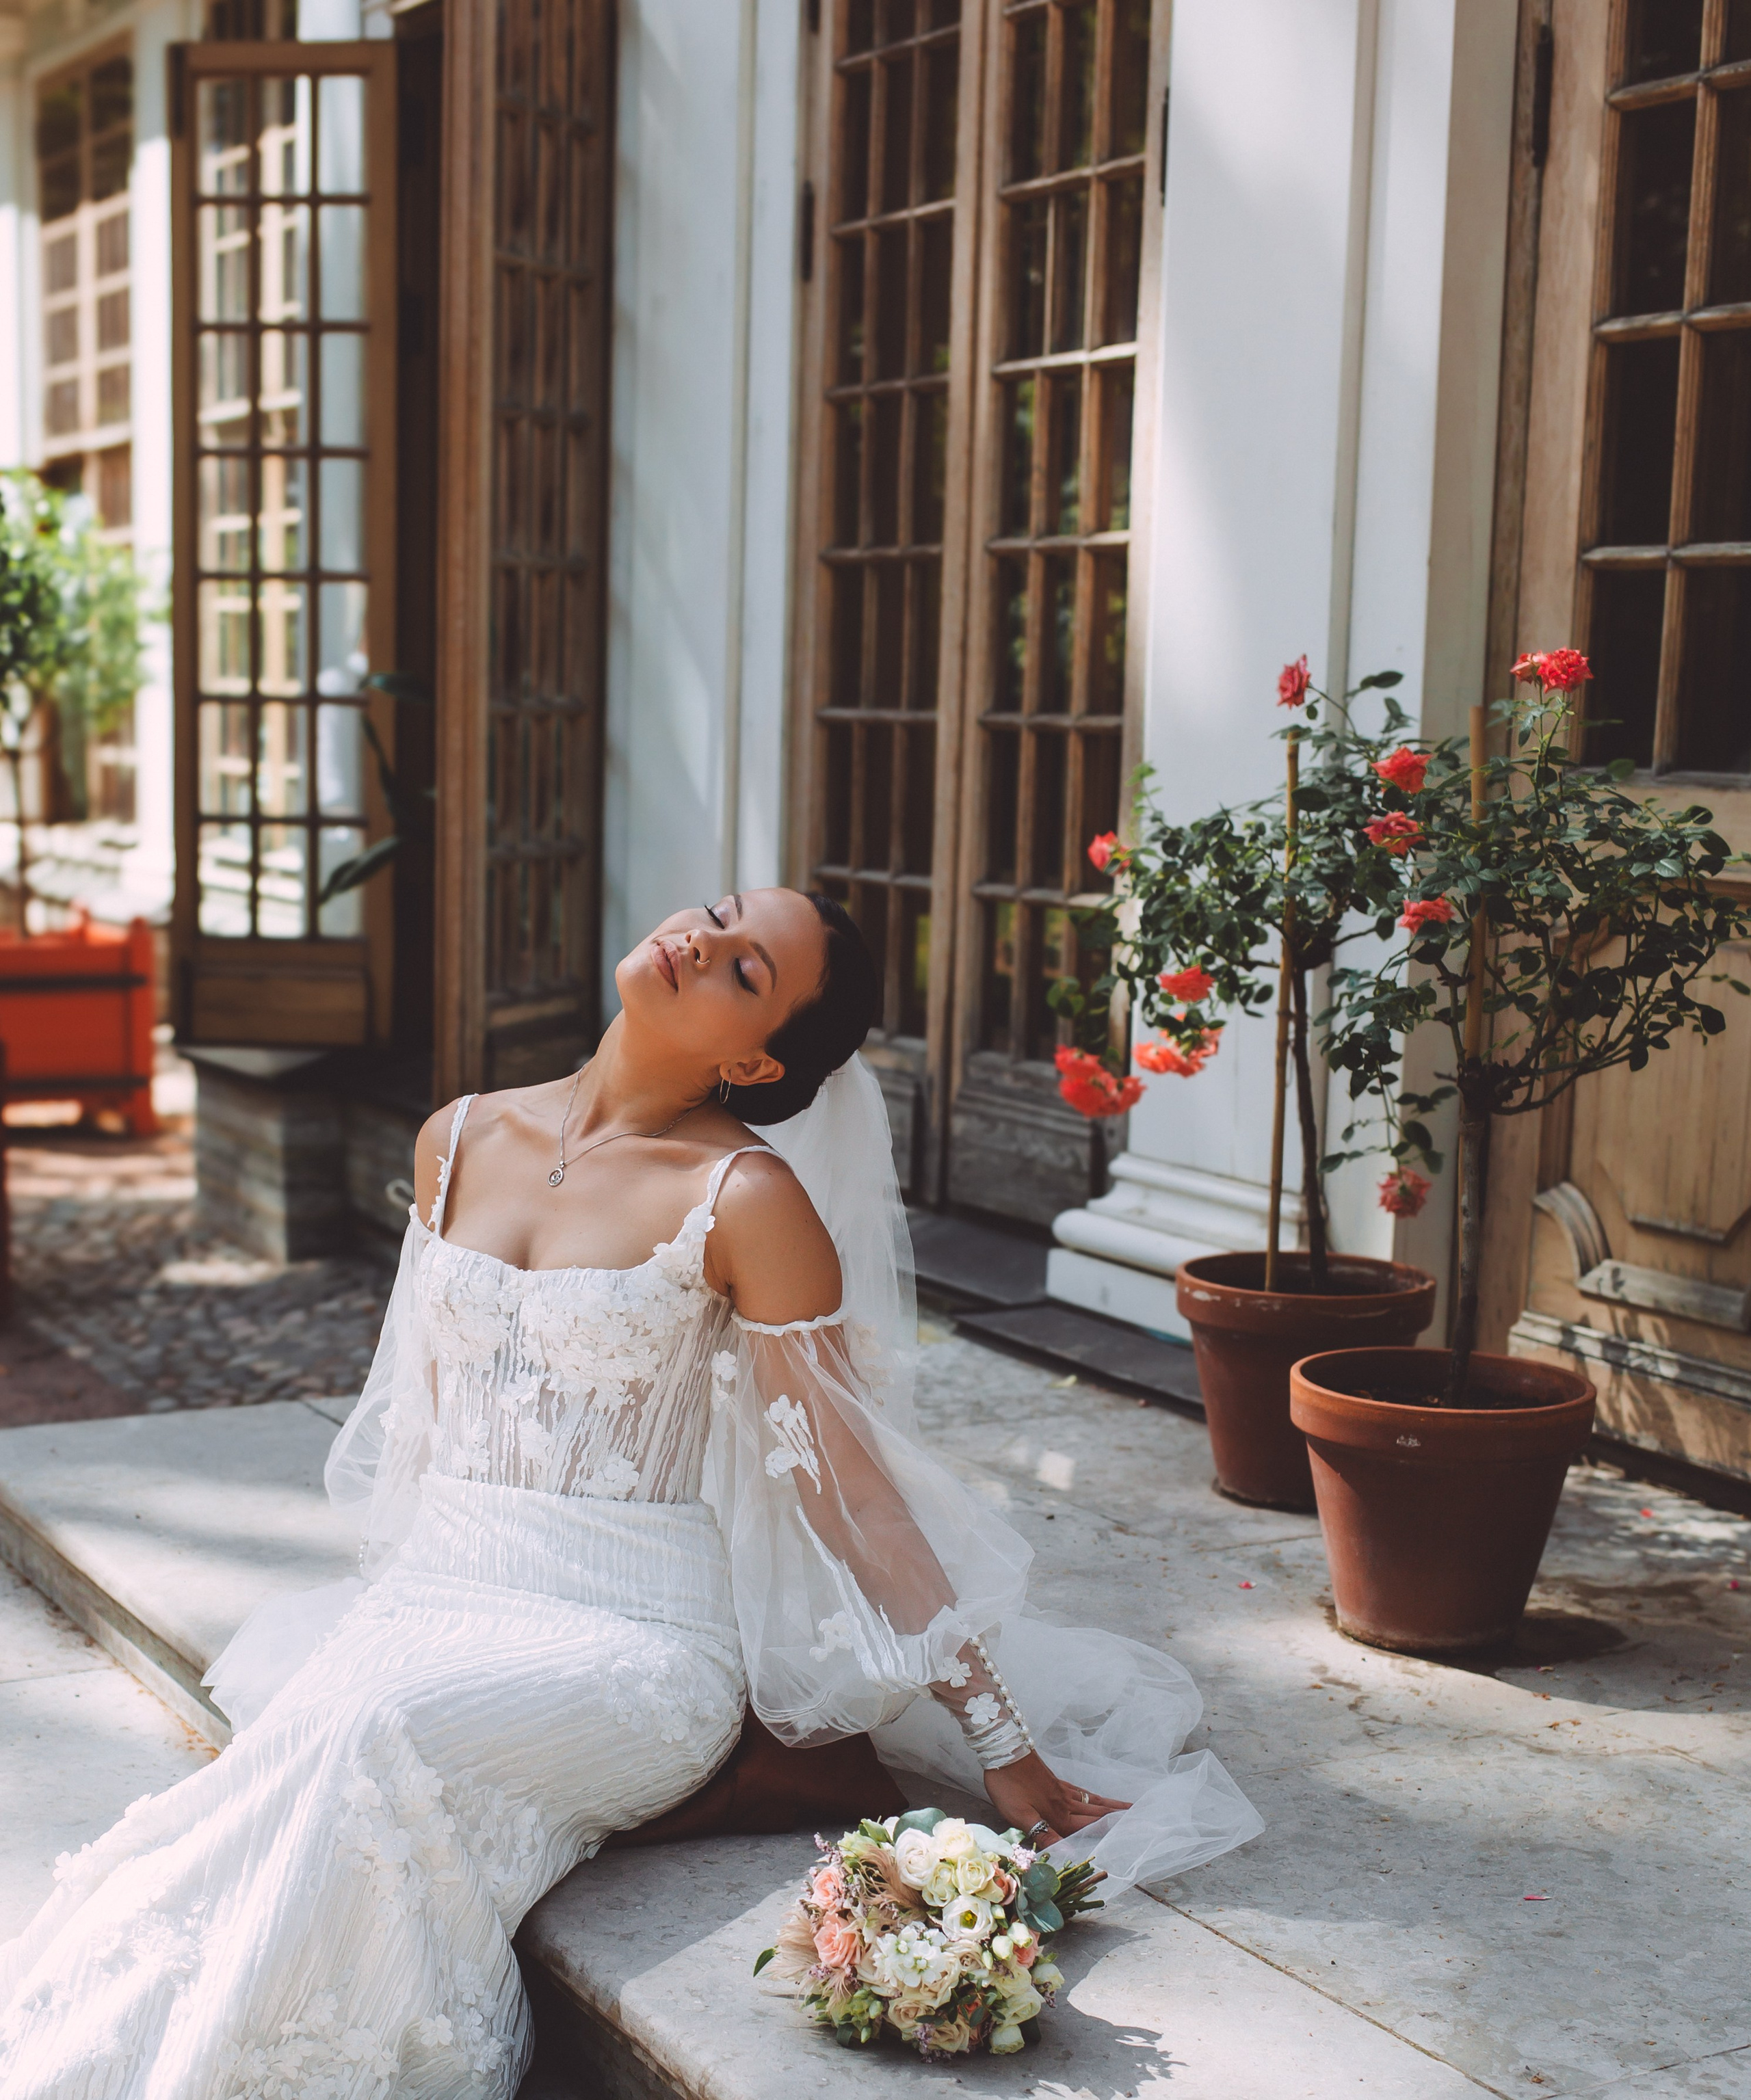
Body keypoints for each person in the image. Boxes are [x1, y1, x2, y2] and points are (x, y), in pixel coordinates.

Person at [0, 890, 1260, 2097]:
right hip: (441, 1593)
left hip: (631, 1641)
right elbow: (428, 1423)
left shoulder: (747, 1200)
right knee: (305, 1751)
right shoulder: (457, 1138)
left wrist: (1001, 1742)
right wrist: (395, 1606)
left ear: (761, 1065)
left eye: (746, 970)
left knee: (362, 1732)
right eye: (715, 919)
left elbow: (851, 1492)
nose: (700, 945)